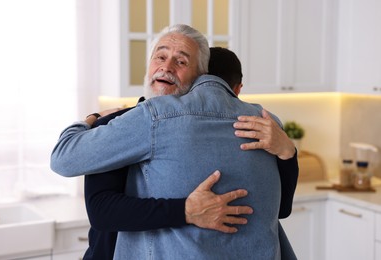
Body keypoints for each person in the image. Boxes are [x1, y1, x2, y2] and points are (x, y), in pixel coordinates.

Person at [51, 24, 297, 259]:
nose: (166, 67)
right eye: (160, 57)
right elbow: (101, 210)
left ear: (200, 77)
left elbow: (279, 207)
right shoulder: (122, 123)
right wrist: (93, 119)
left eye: (181, 61)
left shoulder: (260, 127)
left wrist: (288, 151)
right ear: (148, 66)